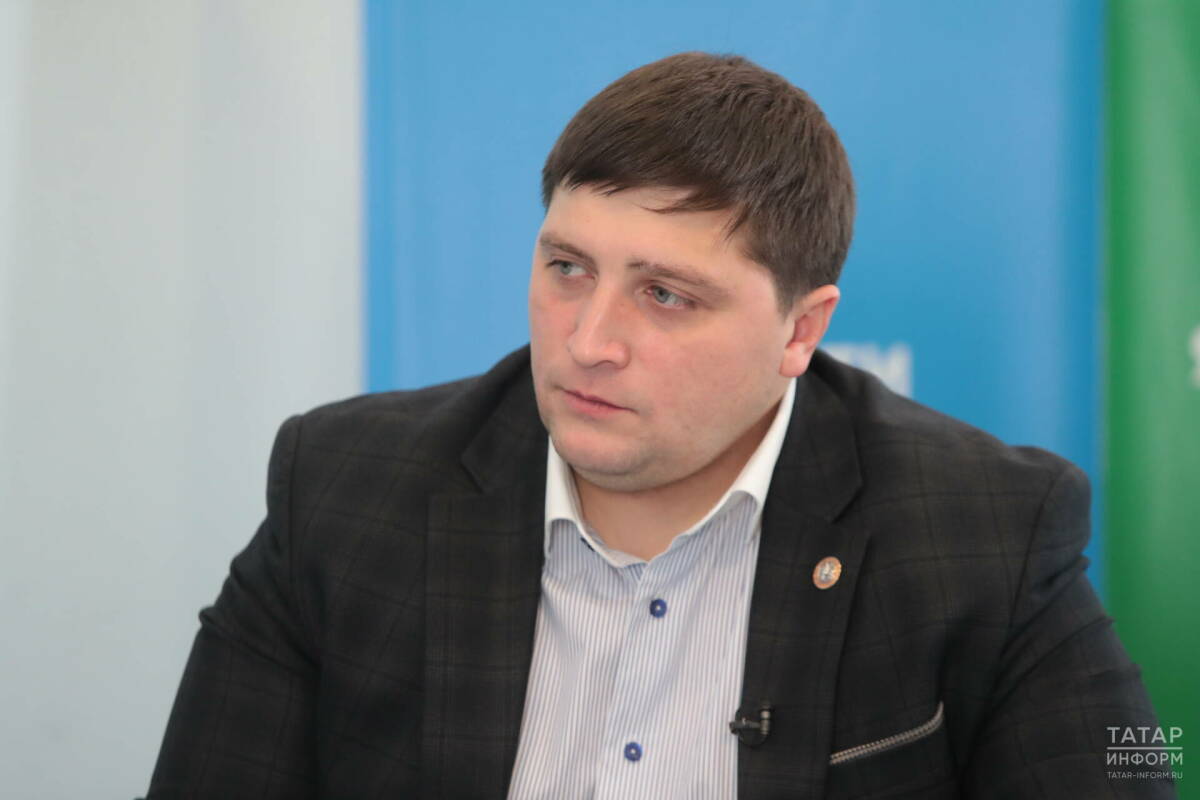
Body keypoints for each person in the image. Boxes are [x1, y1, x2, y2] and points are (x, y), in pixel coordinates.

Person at [147, 52, 1172, 799]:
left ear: (800, 330)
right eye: (567, 268)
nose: (588, 340)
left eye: (665, 294)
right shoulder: (344, 490)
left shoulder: (984, 530)